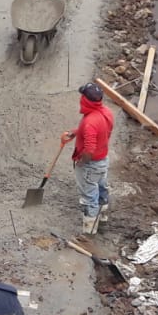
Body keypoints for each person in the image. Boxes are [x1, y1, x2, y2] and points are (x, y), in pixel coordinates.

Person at [62, 81, 113, 236]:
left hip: (91, 165)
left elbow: (89, 149)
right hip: (103, 159)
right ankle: (103, 218)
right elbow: (99, 131)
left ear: (85, 100)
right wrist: (76, 132)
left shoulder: (90, 121)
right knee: (102, 188)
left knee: (89, 197)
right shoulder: (106, 112)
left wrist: (81, 163)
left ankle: (89, 233)